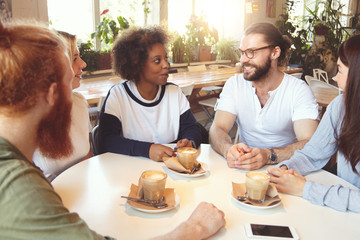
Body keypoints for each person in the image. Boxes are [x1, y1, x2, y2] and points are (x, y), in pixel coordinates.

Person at [0, 20, 225, 239]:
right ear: (52, 95)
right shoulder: (18, 187)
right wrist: (193, 229)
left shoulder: (19, 170)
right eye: (70, 81)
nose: (83, 67)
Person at [267, 34, 360, 213]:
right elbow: (312, 155)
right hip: (342, 215)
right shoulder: (340, 107)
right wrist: (284, 170)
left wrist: (306, 189)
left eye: (339, 70)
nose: (334, 78)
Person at [209, 22, 319, 170]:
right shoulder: (234, 84)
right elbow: (217, 128)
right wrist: (227, 149)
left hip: (285, 170)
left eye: (251, 52)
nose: (243, 60)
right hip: (244, 168)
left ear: (275, 53)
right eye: (242, 52)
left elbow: (310, 142)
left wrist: (269, 155)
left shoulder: (298, 91)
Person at [97, 26, 202, 162]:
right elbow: (106, 141)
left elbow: (193, 128)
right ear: (137, 64)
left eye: (166, 58)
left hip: (170, 169)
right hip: (129, 169)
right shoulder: (118, 95)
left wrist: (190, 141)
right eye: (157, 61)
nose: (166, 65)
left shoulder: (174, 92)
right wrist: (147, 149)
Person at [33, 31, 92, 180]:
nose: (83, 64)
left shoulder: (79, 103)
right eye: (74, 58)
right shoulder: (29, 117)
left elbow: (88, 155)